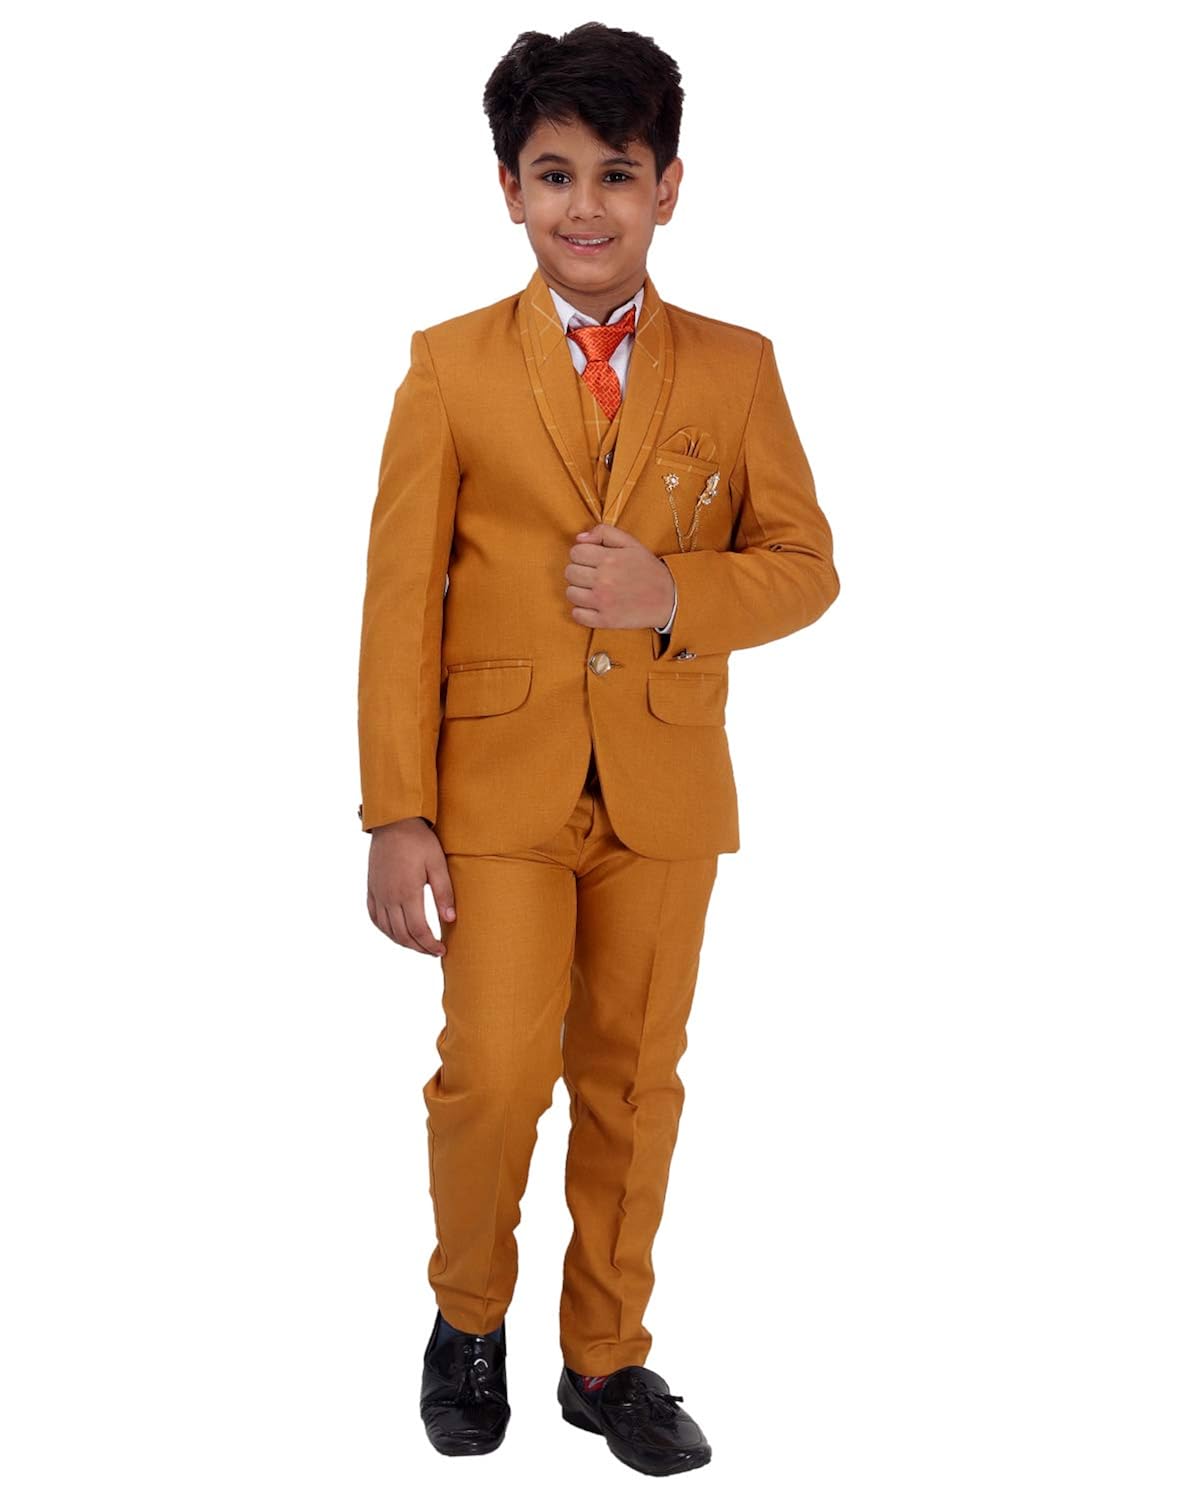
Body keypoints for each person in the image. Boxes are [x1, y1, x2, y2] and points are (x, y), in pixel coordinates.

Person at [356, 22, 840, 1476]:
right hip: (492, 792)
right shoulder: (449, 368)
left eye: (617, 174)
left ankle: (605, 1356)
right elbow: (396, 602)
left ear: (668, 188)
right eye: (555, 173)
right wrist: (394, 810)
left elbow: (807, 568)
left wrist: (672, 593)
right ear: (509, 188)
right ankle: (468, 1323)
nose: (586, 205)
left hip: (663, 790)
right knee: (494, 1072)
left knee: (634, 1081)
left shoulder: (737, 369)